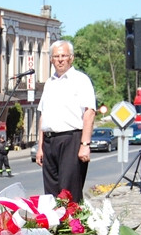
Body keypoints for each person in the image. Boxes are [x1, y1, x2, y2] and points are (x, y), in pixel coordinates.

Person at [36, 40, 96, 201]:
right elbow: (43, 115)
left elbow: (89, 113)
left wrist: (85, 145)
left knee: (69, 192)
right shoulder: (49, 83)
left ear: (71, 58)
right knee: (51, 194)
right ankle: (56, 225)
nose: (60, 59)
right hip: (49, 142)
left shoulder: (80, 80)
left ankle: (73, 225)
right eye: (56, 56)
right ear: (51, 59)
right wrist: (40, 146)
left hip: (71, 140)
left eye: (64, 56)